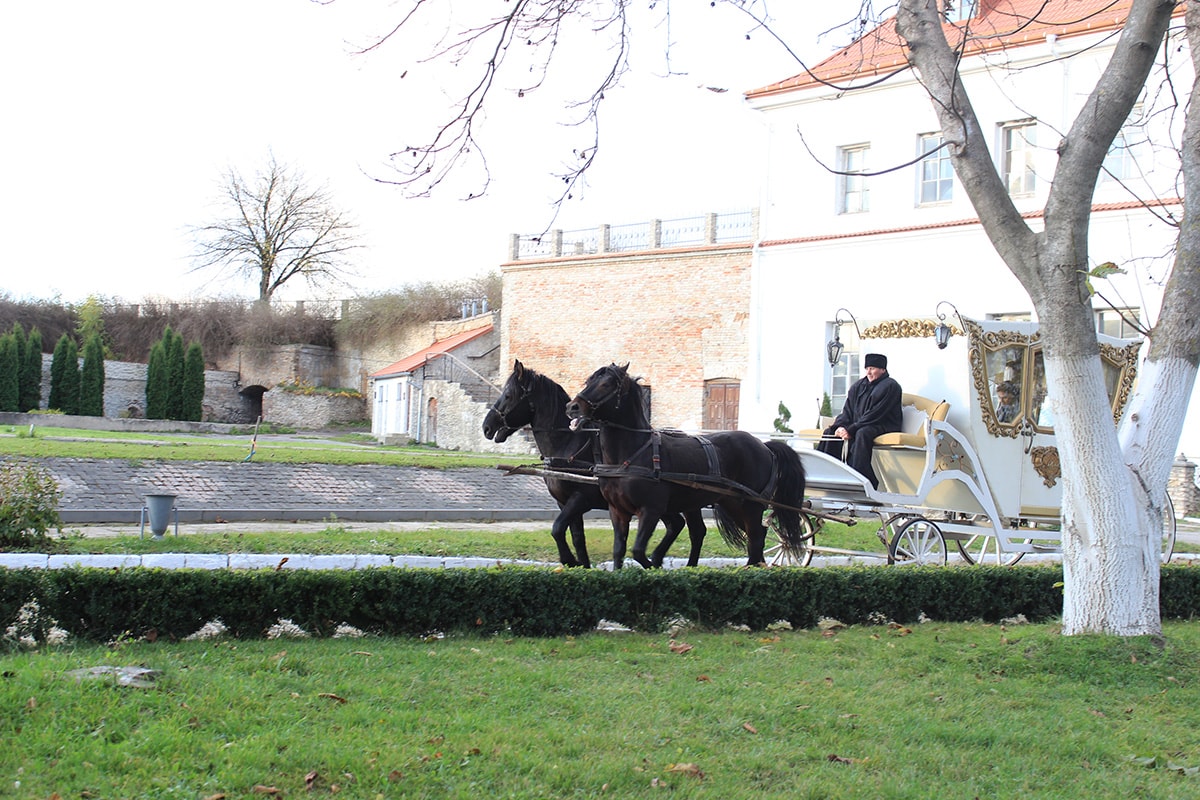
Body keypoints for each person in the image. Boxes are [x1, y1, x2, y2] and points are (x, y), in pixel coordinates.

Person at [817, 353, 903, 490]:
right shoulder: (858, 386)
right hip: (861, 424)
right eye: (867, 368)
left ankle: (861, 479)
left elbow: (875, 414)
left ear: (883, 369)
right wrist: (840, 426)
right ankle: (826, 474)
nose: (869, 372)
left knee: (862, 433)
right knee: (830, 432)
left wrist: (851, 429)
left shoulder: (891, 386)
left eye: (872, 368)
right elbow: (847, 411)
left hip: (883, 424)